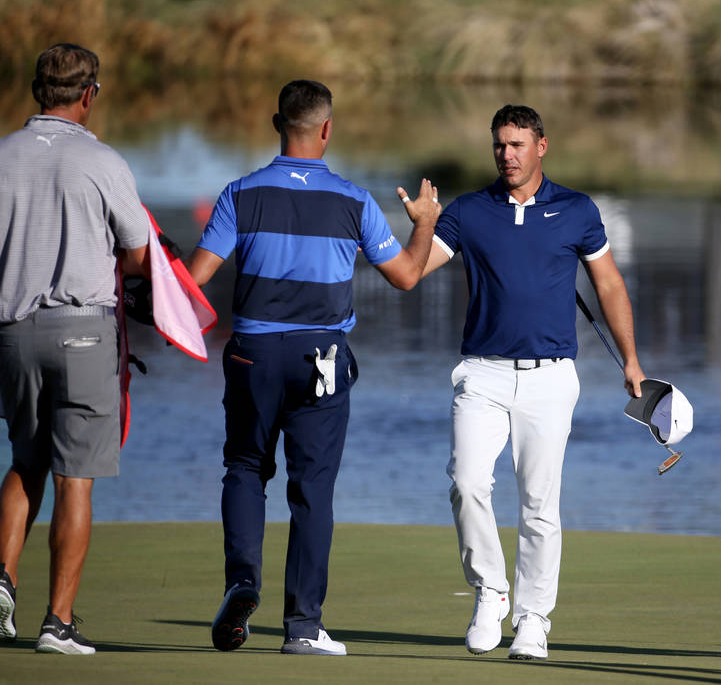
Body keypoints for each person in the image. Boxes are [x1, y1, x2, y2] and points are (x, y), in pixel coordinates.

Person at [185, 79, 440, 656]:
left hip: (253, 354)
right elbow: (405, 277)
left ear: (278, 123)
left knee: (246, 468)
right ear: (327, 129)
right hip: (322, 358)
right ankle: (302, 627)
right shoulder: (354, 201)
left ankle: (243, 583)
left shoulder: (240, 194)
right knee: (313, 489)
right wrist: (424, 221)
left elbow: (194, 279)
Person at [415, 104, 644, 660]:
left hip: (550, 376)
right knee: (467, 482)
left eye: (517, 144)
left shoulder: (576, 210)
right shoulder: (469, 211)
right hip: (482, 373)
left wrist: (632, 362)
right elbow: (415, 269)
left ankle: (534, 620)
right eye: (499, 145)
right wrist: (423, 224)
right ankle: (491, 590)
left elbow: (609, 286)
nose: (507, 155)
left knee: (540, 505)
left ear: (542, 146)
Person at [0, 43, 151, 655]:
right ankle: (57, 624)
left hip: (11, 332)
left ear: (37, 90)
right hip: (83, 330)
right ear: (89, 94)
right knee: (75, 478)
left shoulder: (2, 155)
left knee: (24, 460)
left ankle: (1, 582)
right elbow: (140, 255)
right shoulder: (103, 161)